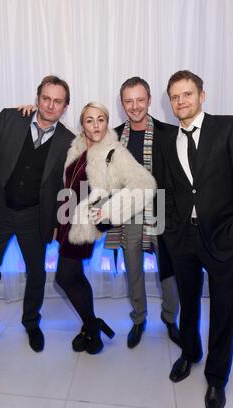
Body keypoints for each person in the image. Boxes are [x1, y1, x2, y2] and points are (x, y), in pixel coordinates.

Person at [155, 70, 233, 408]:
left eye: (187, 94)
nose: (181, 101)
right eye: (175, 96)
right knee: (187, 299)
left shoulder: (230, 127)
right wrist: (170, 231)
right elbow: (168, 190)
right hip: (183, 238)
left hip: (221, 237)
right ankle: (190, 352)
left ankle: (216, 377)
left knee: (224, 307)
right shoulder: (168, 140)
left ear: (203, 95)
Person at [0, 75, 75, 359]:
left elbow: (67, 188)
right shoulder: (10, 118)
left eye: (57, 101)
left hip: (35, 217)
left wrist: (57, 224)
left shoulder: (69, 141)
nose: (50, 105)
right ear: (38, 99)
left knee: (37, 273)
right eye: (46, 98)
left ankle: (31, 322)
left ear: (65, 107)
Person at [55, 102, 156, 354]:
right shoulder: (77, 145)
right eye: (89, 120)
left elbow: (145, 184)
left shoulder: (114, 151)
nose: (96, 125)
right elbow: (68, 186)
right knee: (75, 276)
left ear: (107, 121)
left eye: (101, 119)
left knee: (64, 278)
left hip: (84, 225)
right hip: (66, 220)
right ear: (82, 124)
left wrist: (110, 211)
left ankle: (93, 327)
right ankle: (90, 328)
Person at [104, 77, 180, 349]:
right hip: (128, 211)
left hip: (162, 210)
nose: (135, 106)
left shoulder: (169, 133)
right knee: (132, 267)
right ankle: (139, 319)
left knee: (169, 269)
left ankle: (171, 318)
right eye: (128, 101)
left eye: (140, 100)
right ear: (122, 104)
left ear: (148, 100)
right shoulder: (112, 137)